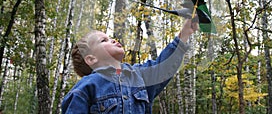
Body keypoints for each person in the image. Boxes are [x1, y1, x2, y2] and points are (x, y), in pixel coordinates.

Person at [62, 19, 198, 113]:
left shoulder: (138, 76)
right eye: (104, 40)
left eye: (110, 38)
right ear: (91, 59)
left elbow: (163, 67)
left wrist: (184, 34)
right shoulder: (84, 88)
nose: (113, 40)